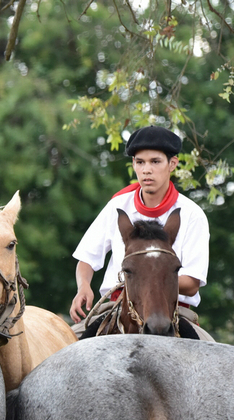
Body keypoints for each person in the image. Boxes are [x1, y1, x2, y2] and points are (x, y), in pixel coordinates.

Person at [69, 125, 209, 325]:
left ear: (172, 164)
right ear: (133, 164)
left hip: (174, 312)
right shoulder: (117, 205)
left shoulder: (193, 215)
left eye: (155, 162)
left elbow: (192, 282)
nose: (147, 170)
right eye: (140, 162)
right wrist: (83, 286)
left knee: (207, 351)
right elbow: (87, 258)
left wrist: (145, 284)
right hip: (117, 306)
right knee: (69, 348)